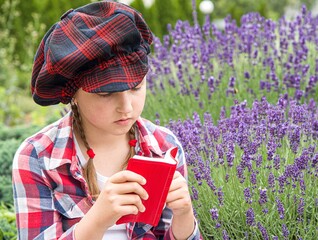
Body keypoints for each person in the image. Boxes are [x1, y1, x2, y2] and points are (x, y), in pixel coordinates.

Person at [12, 1, 202, 239]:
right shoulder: (37, 158)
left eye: (135, 88)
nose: (126, 107)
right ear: (74, 95)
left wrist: (184, 215)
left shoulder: (164, 146)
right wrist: (99, 219)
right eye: (106, 94)